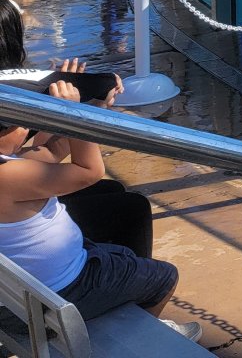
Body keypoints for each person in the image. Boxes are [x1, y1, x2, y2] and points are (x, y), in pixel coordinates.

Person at [0, 26, 199, 337]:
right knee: (163, 277)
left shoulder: (12, 167)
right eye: (24, 125)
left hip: (23, 294)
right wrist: (71, 111)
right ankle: (142, 340)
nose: (29, 131)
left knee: (120, 251)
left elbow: (54, 149)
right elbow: (89, 171)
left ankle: (123, 305)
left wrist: (95, 109)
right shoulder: (9, 175)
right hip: (54, 298)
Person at [0, 0, 154, 259]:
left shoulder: (11, 99)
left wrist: (80, 107)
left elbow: (43, 152)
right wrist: (77, 114)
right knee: (132, 208)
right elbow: (83, 168)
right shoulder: (8, 100)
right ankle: (107, 285)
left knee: (111, 191)